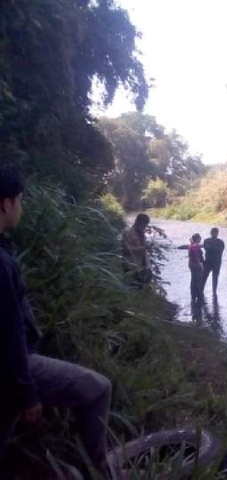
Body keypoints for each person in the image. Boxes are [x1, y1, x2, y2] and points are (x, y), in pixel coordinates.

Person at [0, 167, 112, 474]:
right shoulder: (1, 261)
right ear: (6, 204)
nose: (21, 208)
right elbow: (8, 334)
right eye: (20, 201)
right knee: (98, 388)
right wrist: (26, 393)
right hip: (14, 367)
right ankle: (97, 471)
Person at [122, 213, 151, 286]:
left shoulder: (141, 233)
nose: (144, 228)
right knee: (134, 286)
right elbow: (126, 249)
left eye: (145, 226)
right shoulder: (127, 233)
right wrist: (142, 248)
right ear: (137, 222)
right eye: (143, 225)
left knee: (144, 285)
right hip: (132, 266)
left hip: (144, 265)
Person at [202, 227, 225, 297]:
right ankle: (201, 291)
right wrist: (214, 248)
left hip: (216, 263)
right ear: (211, 233)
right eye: (213, 232)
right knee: (204, 277)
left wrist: (211, 248)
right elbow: (206, 248)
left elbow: (220, 250)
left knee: (215, 278)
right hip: (207, 263)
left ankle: (214, 293)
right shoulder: (206, 241)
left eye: (216, 232)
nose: (214, 234)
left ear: (218, 233)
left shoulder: (221, 242)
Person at [188, 233, 204, 304]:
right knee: (198, 281)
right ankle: (199, 297)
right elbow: (196, 255)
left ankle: (193, 297)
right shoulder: (195, 246)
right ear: (197, 239)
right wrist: (200, 264)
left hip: (191, 264)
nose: (200, 239)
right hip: (196, 265)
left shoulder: (191, 245)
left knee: (193, 281)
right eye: (199, 238)